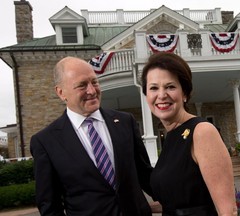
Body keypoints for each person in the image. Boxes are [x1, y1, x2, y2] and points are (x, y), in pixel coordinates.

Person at [30, 56, 153, 216]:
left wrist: (179, 201)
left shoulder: (125, 122)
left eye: (94, 82)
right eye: (82, 85)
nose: (92, 90)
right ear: (61, 93)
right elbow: (49, 205)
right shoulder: (45, 142)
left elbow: (145, 175)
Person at [141, 52, 237, 216]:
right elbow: (178, 203)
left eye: (170, 86)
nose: (162, 95)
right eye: (154, 88)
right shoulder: (172, 136)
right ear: (147, 95)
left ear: (184, 93)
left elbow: (228, 210)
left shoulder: (202, 132)